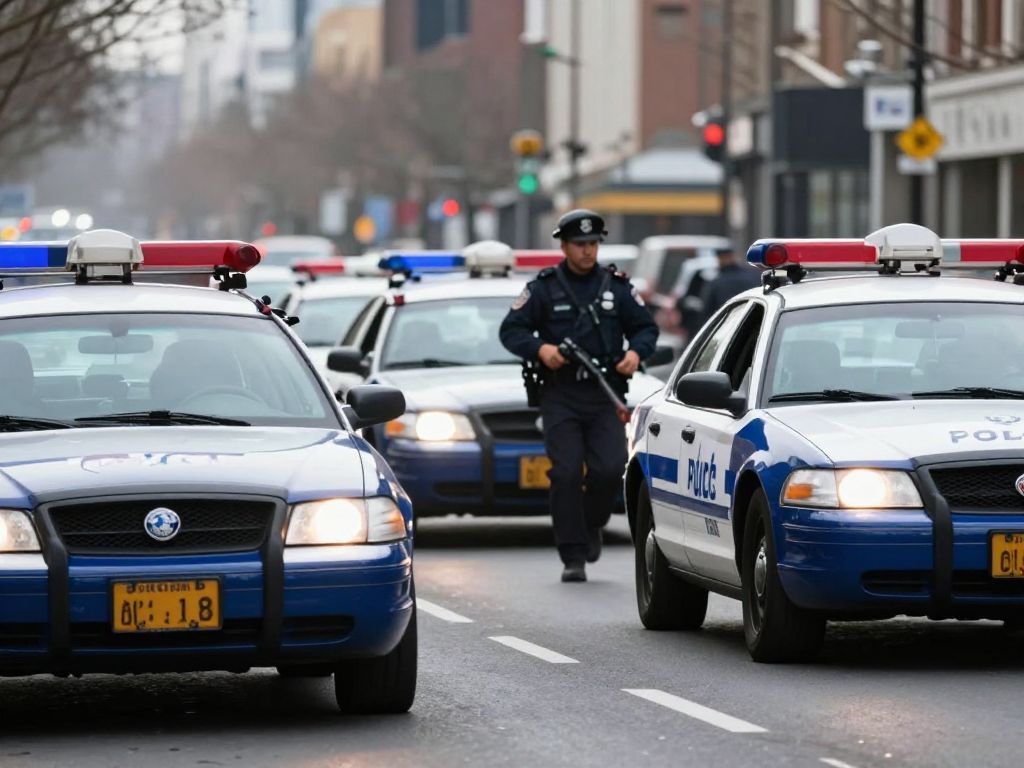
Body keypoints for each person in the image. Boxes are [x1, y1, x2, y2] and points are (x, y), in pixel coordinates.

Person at [499, 209, 658, 583]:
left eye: (592, 244)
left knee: (609, 467)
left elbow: (646, 329)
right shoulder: (544, 288)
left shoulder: (616, 286)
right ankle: (573, 555)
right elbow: (512, 331)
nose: (587, 251)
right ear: (564, 245)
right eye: (579, 244)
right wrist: (541, 350)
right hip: (561, 393)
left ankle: (591, 525)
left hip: (604, 393)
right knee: (567, 472)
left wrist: (635, 353)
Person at [699, 247, 761, 323]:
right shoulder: (753, 274)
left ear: (720, 259)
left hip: (728, 325)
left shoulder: (716, 283)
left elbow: (708, 311)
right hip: (756, 321)